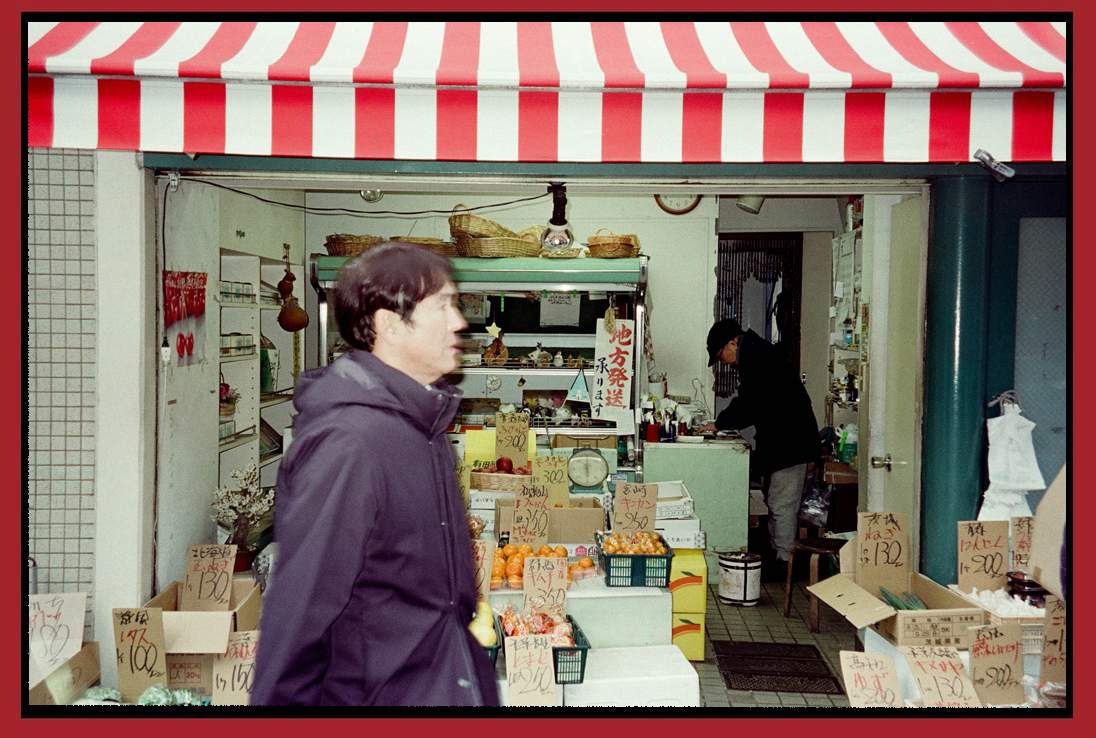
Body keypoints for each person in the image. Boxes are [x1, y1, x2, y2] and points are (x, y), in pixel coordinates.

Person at [250, 242, 499, 706]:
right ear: (389, 324)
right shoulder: (349, 444)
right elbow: (298, 620)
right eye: (442, 305)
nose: (460, 322)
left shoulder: (423, 427)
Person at [698, 318, 821, 582]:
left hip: (792, 443)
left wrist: (719, 424)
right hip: (785, 440)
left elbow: (749, 403)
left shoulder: (757, 357)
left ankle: (786, 562)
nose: (724, 361)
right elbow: (757, 405)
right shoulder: (757, 353)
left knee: (782, 505)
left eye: (721, 355)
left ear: (733, 342)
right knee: (777, 502)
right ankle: (780, 555)